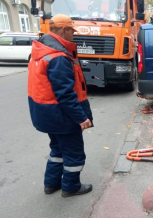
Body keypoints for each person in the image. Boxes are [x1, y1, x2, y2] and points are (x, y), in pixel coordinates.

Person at [28, 14, 94, 197]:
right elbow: (65, 94)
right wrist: (81, 118)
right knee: (74, 154)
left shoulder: (40, 48)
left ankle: (51, 184)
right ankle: (71, 187)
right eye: (72, 30)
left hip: (46, 112)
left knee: (57, 149)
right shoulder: (58, 56)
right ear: (63, 30)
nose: (74, 34)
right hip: (61, 115)